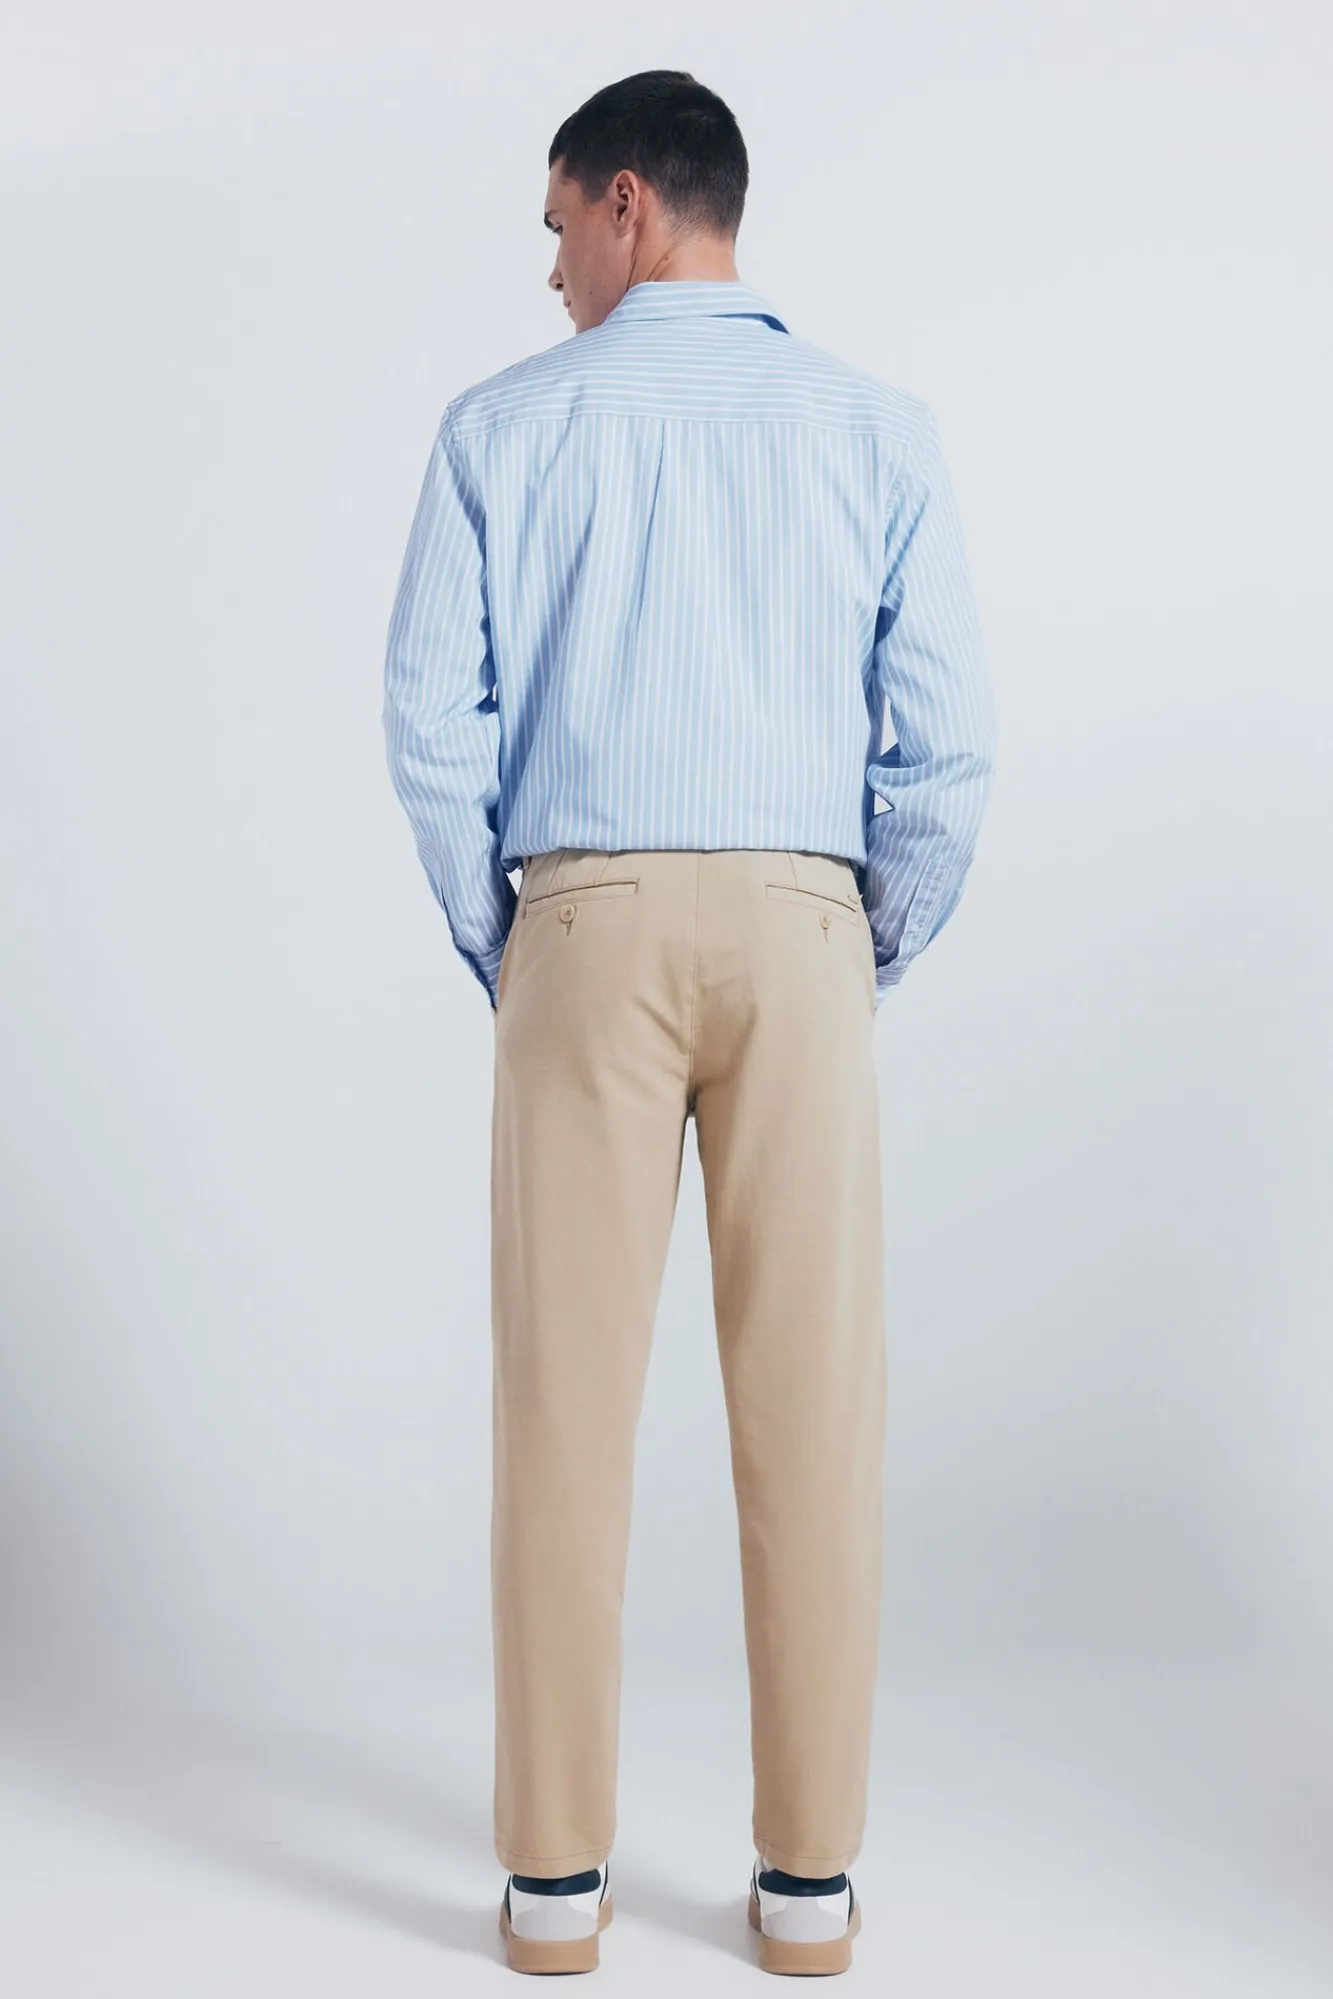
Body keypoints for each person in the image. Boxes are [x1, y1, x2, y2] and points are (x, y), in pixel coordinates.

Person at [382, 68, 997, 1977]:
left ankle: (554, 1884)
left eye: (559, 223)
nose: (553, 266)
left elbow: (432, 725)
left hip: (581, 915)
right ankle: (806, 1885)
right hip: (805, 919)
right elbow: (947, 754)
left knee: (561, 1414)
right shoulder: (878, 430)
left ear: (628, 202)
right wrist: (850, 944)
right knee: (815, 1417)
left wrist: (516, 940)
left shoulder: (503, 426)